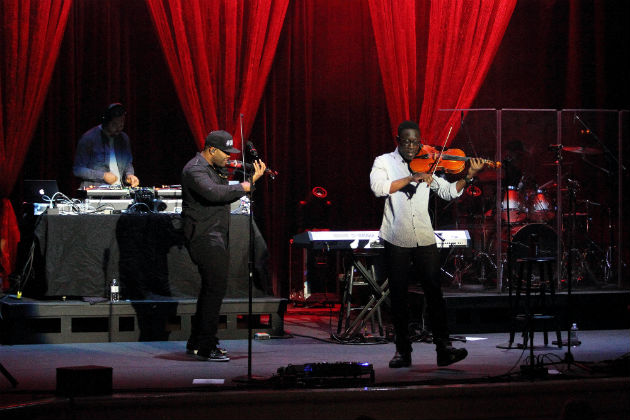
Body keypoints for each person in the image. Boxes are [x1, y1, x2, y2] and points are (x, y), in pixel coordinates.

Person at [370, 120, 487, 368]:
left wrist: (468, 176)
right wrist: (411, 178)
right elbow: (378, 188)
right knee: (399, 296)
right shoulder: (384, 162)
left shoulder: (430, 161)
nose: (413, 147)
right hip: (396, 236)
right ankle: (403, 351)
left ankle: (444, 349)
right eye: (408, 141)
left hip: (424, 235)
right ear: (398, 140)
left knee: (434, 293)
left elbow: (448, 192)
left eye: (416, 142)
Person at [182, 130, 266, 361]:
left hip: (215, 235)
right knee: (214, 291)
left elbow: (224, 193)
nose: (229, 157)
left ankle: (197, 341)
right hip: (204, 238)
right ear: (211, 150)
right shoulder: (195, 169)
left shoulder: (212, 167)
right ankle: (208, 345)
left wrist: (248, 181)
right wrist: (246, 186)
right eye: (225, 153)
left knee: (210, 290)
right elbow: (213, 193)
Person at [73, 103, 140, 188]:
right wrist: (103, 176)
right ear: (106, 121)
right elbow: (77, 170)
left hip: (119, 190)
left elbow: (128, 163)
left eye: (121, 124)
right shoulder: (88, 138)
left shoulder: (124, 138)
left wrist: (129, 175)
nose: (119, 128)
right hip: (96, 192)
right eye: (115, 124)